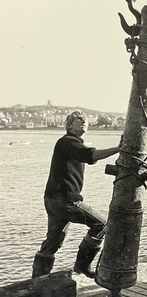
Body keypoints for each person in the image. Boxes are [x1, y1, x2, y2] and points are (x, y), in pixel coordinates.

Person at [32, 110, 120, 279]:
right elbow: (91, 155)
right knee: (102, 224)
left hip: (52, 200)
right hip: (66, 200)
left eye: (85, 120)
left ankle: (37, 280)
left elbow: (88, 156)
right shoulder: (68, 142)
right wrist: (118, 148)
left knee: (53, 241)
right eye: (79, 121)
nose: (84, 122)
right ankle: (82, 265)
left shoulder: (70, 144)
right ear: (69, 125)